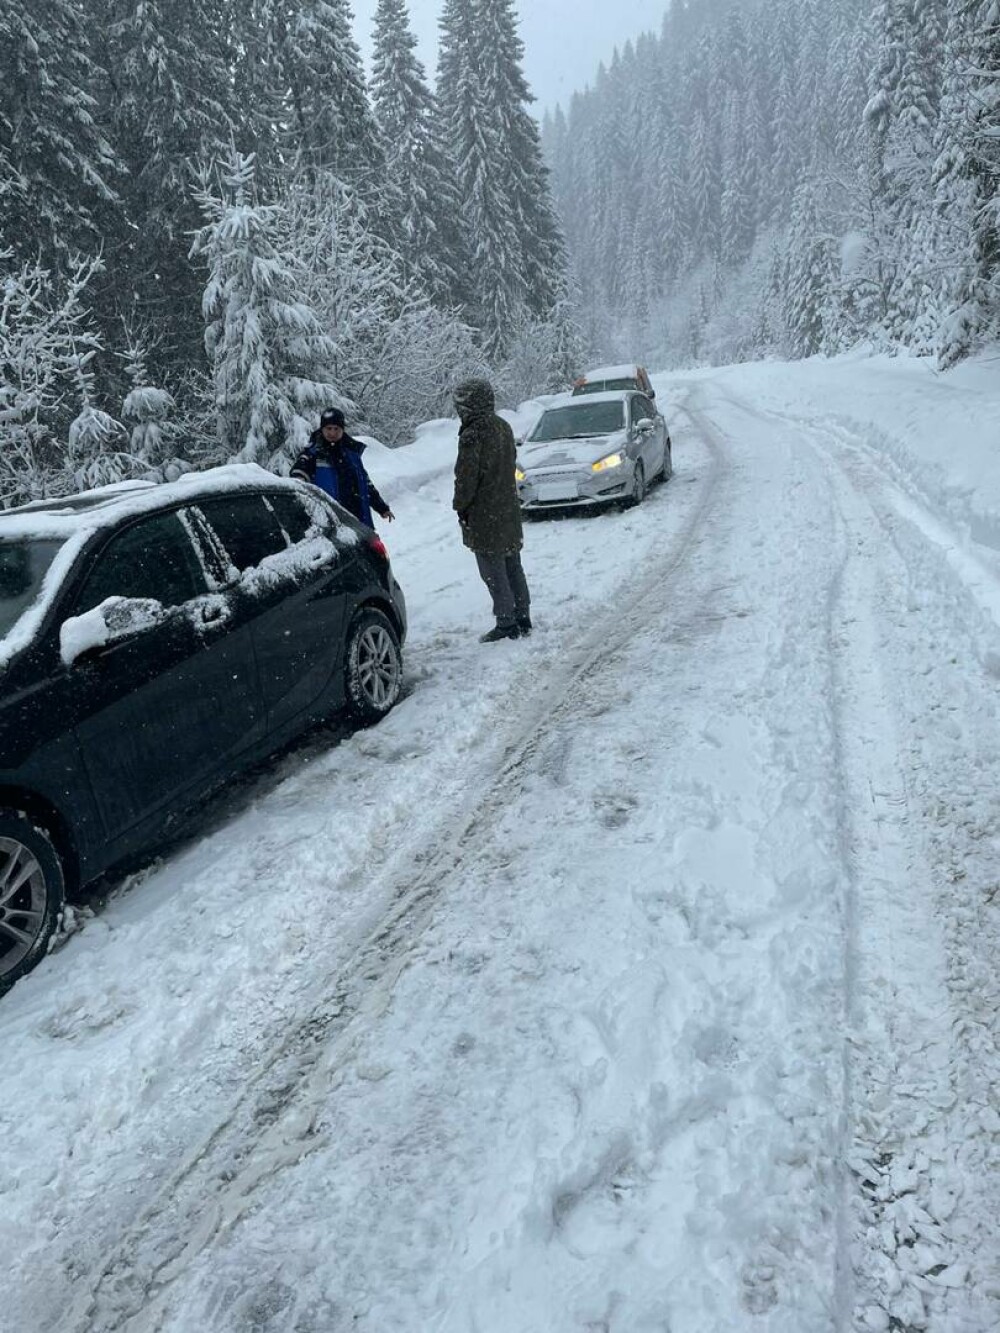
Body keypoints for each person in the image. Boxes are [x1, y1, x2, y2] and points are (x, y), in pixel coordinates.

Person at [452, 378, 531, 643]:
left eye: (462, 400)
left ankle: (506, 623)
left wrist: (460, 506)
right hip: (508, 508)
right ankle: (523, 615)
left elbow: (466, 478)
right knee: (512, 564)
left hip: (485, 514)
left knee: (493, 570)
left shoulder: (473, 433)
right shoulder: (503, 426)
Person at [291, 408, 394, 527]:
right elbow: (299, 473)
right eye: (329, 428)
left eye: (337, 429)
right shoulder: (313, 453)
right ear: (322, 429)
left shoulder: (352, 453)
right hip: (330, 521)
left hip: (357, 517)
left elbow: (365, 484)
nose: (333, 433)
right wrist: (299, 478)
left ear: (342, 430)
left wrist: (381, 507)